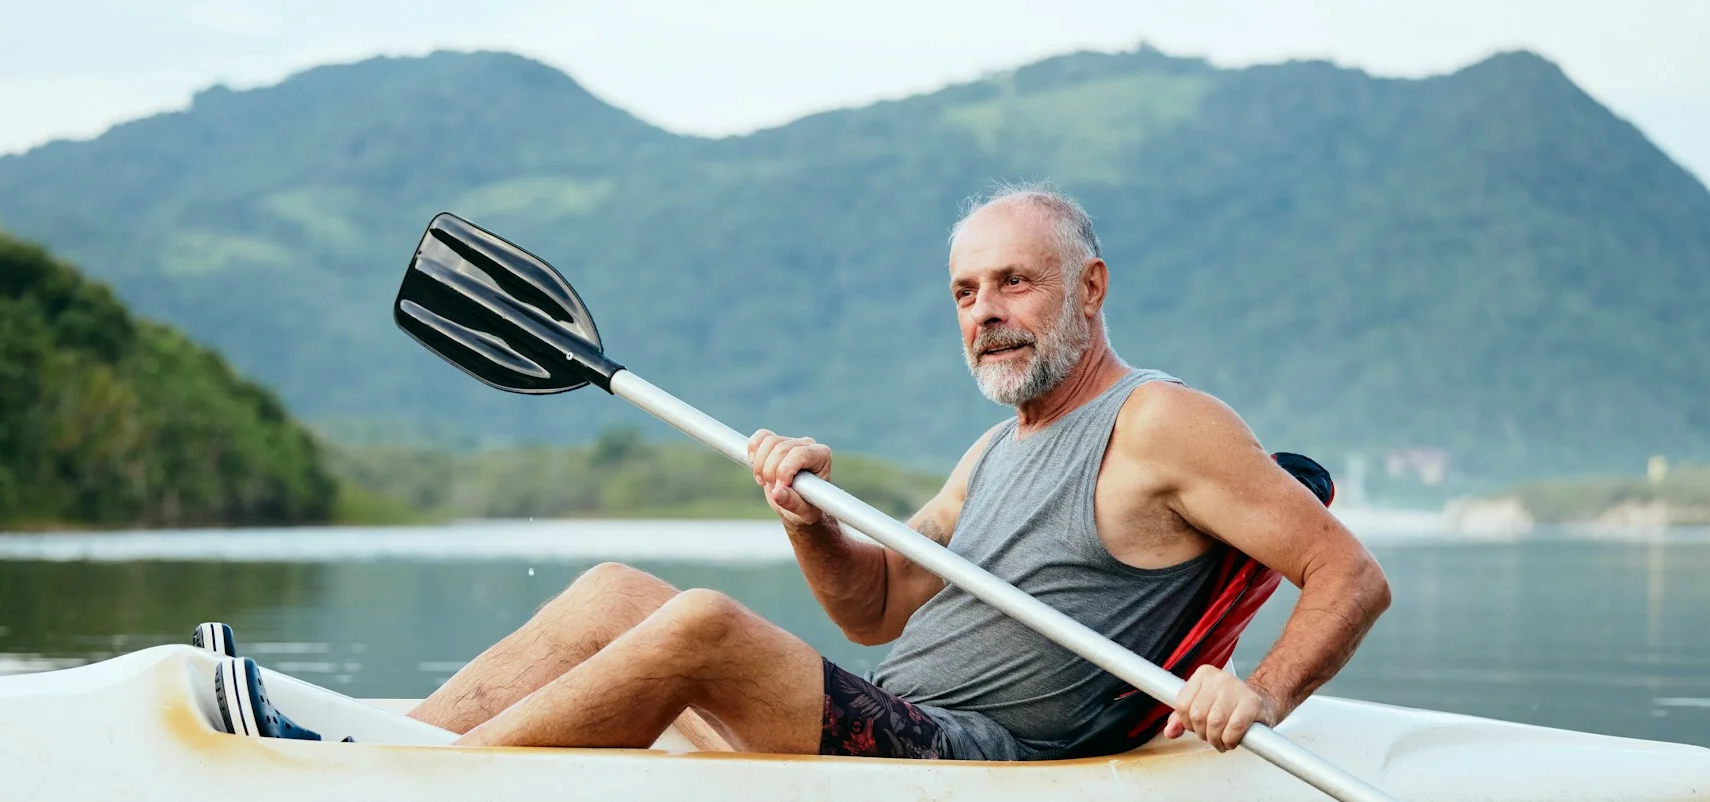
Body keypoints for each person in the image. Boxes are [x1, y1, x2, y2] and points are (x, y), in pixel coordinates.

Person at [395, 185, 1389, 757]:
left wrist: (1258, 693)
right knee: (617, 593)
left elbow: (1350, 575)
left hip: (962, 759)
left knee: (700, 624)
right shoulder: (995, 449)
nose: (986, 311)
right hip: (881, 720)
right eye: (965, 291)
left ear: (1089, 288)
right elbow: (872, 609)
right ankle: (392, 754)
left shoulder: (1162, 422)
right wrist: (805, 518)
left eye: (1014, 282)